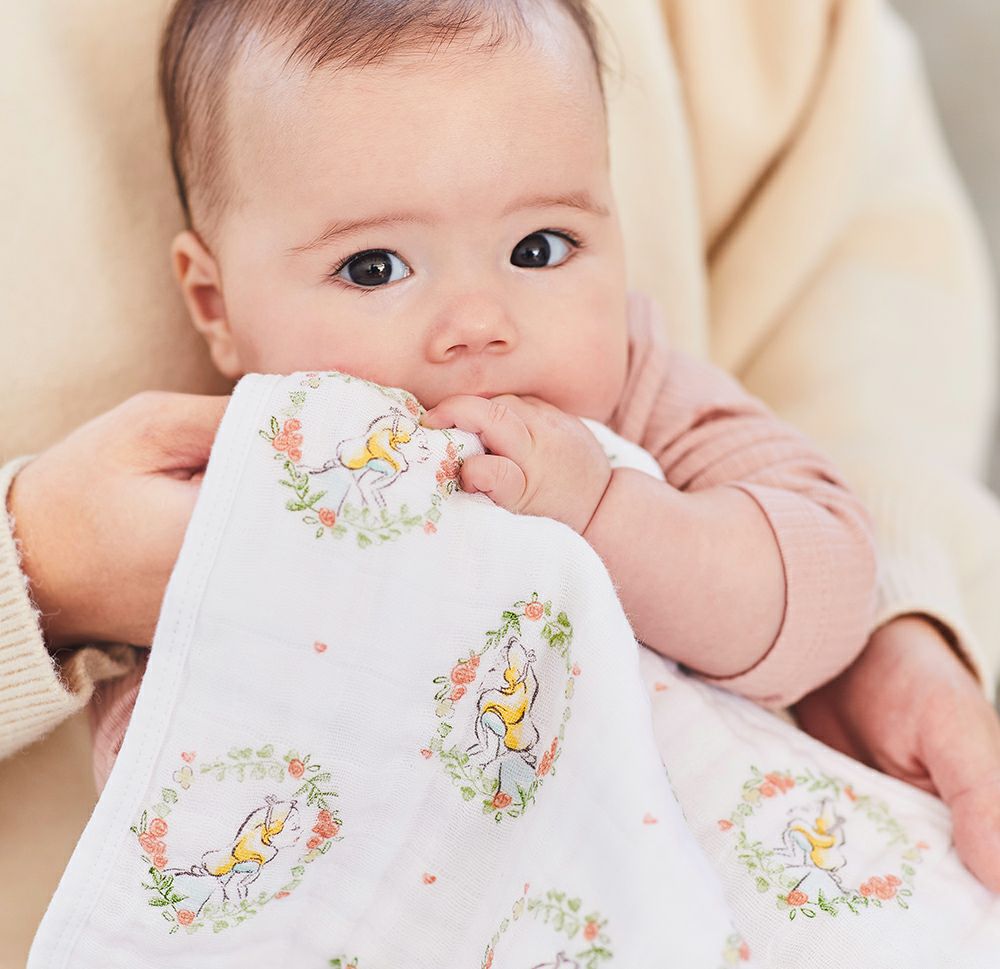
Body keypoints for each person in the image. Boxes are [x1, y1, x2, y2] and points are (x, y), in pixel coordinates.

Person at [2, 0, 999, 960]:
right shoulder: (212, 512)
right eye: (374, 268)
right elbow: (183, 820)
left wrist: (612, 515)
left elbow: (824, 592)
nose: (478, 323)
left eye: (538, 249)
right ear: (216, 304)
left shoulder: (632, 399)